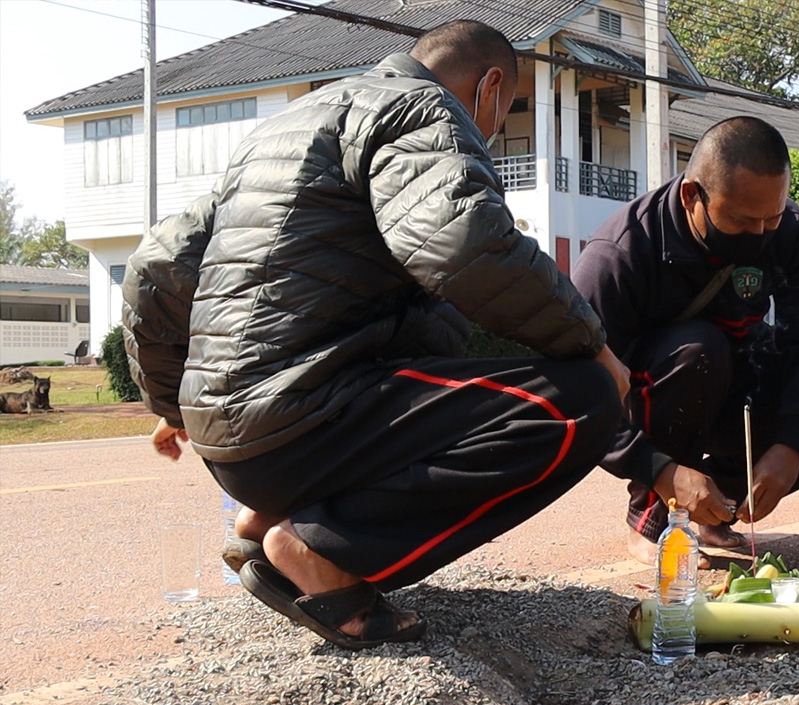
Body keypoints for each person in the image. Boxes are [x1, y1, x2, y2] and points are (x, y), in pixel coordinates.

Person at [124, 20, 629, 649]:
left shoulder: (287, 127)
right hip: (307, 420)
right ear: (491, 87)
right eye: (505, 112)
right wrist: (594, 345)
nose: (494, 132)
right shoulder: (418, 110)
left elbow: (156, 266)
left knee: (432, 352)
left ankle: (269, 520)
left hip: (238, 448)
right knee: (580, 399)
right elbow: (468, 244)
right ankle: (322, 553)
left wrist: (172, 402)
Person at [572, 116, 799, 567]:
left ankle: (715, 506)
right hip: (663, 395)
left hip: (743, 385)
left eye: (770, 218)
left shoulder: (789, 229)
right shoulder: (620, 254)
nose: (759, 236)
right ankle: (655, 519)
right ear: (692, 196)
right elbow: (577, 389)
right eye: (741, 220)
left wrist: (791, 446)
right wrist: (659, 469)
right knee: (699, 350)